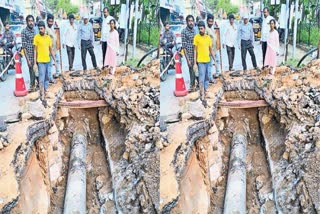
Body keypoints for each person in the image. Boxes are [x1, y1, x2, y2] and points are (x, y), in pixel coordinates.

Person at [33, 21, 57, 106]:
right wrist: (35, 63)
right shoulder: (36, 37)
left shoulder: (48, 38)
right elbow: (35, 50)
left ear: (44, 28)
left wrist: (54, 60)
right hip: (40, 61)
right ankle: (42, 94)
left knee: (47, 77)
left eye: (42, 28)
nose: (40, 30)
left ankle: (46, 90)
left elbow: (51, 50)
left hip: (48, 60)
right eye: (39, 29)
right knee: (41, 78)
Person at [193, 21, 216, 106]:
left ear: (204, 28)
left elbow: (211, 50)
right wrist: (195, 63)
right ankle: (201, 94)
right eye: (199, 29)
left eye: (202, 28)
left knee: (207, 77)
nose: (200, 30)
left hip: (207, 60)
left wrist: (215, 60)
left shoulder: (208, 38)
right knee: (201, 78)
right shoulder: (196, 37)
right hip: (200, 61)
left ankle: (206, 91)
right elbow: (195, 50)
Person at [22, 15, 37, 92]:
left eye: (32, 21)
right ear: (27, 22)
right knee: (31, 72)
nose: (31, 22)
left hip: (37, 55)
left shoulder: (35, 30)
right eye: (29, 21)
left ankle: (36, 86)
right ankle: (32, 86)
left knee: (37, 71)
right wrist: (27, 60)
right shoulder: (24, 32)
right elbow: (24, 47)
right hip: (30, 55)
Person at [182, 15, 197, 92]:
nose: (191, 22)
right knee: (191, 71)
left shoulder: (195, 30)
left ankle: (196, 85)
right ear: (187, 22)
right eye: (189, 21)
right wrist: (187, 60)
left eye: (192, 21)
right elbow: (184, 47)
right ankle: (192, 86)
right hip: (190, 55)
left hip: (197, 54)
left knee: (197, 71)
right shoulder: (184, 32)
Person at [206, 14, 220, 83]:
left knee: (217, 61)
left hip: (215, 49)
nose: (210, 23)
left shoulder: (212, 28)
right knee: (210, 65)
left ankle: (218, 73)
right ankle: (210, 78)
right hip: (209, 50)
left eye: (212, 21)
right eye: (209, 21)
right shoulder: (206, 29)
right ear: (207, 21)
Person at [46, 13, 61, 81]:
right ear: (47, 21)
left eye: (52, 21)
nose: (50, 23)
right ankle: (50, 78)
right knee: (50, 64)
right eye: (49, 21)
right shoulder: (46, 29)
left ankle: (57, 73)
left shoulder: (52, 28)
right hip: (49, 50)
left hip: (55, 49)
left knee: (57, 61)